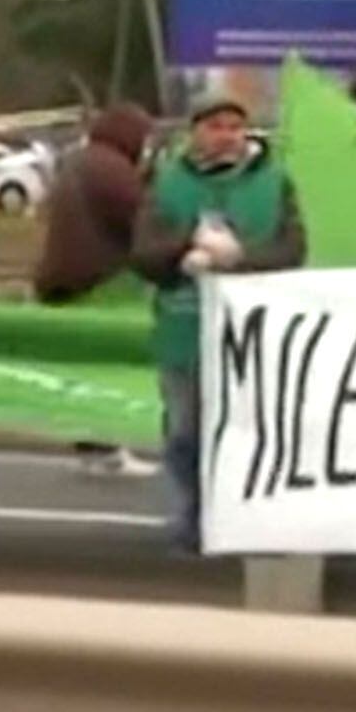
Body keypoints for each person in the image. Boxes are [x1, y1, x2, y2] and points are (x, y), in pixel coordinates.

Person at [132, 95, 306, 554]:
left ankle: (247, 516)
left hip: (252, 335)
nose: (227, 135)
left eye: (235, 126)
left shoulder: (274, 183)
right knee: (186, 430)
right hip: (184, 329)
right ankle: (194, 513)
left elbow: (292, 250)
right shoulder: (166, 183)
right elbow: (144, 252)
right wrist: (183, 249)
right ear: (195, 133)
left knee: (250, 427)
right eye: (216, 126)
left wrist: (241, 258)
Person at [32, 104, 159, 477]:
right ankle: (106, 448)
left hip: (64, 277)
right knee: (106, 366)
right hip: (97, 279)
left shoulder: (82, 161)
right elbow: (140, 216)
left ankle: (93, 446)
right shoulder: (111, 170)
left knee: (80, 372)